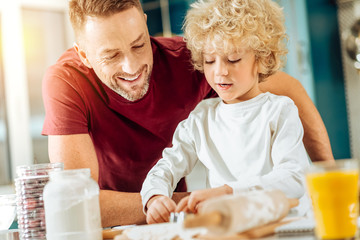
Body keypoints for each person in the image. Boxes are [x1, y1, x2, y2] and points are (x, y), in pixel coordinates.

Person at [42, 0, 333, 227]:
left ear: (146, 25)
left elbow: (289, 92)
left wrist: (331, 179)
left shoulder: (191, 59)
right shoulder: (67, 81)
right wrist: (158, 198)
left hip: (243, 218)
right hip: (157, 220)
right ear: (83, 54)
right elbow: (80, 201)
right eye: (111, 55)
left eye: (139, 45)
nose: (132, 67)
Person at [140, 0, 310, 224]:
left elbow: (294, 179)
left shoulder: (279, 111)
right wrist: (154, 196)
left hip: (284, 225)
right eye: (209, 61)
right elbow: (166, 166)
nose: (219, 71)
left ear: (263, 59)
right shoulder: (201, 118)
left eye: (233, 59)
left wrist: (228, 191)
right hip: (230, 228)